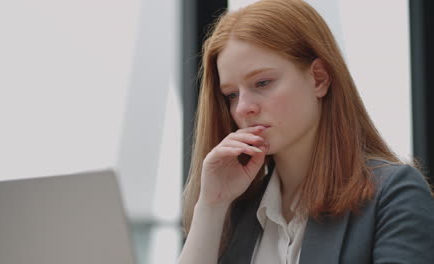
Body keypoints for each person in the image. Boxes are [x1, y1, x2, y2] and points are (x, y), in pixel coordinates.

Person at [177, 0, 434, 263]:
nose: (243, 107)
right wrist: (212, 205)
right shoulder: (235, 210)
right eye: (231, 94)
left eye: (262, 82)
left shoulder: (393, 195)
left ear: (319, 78)